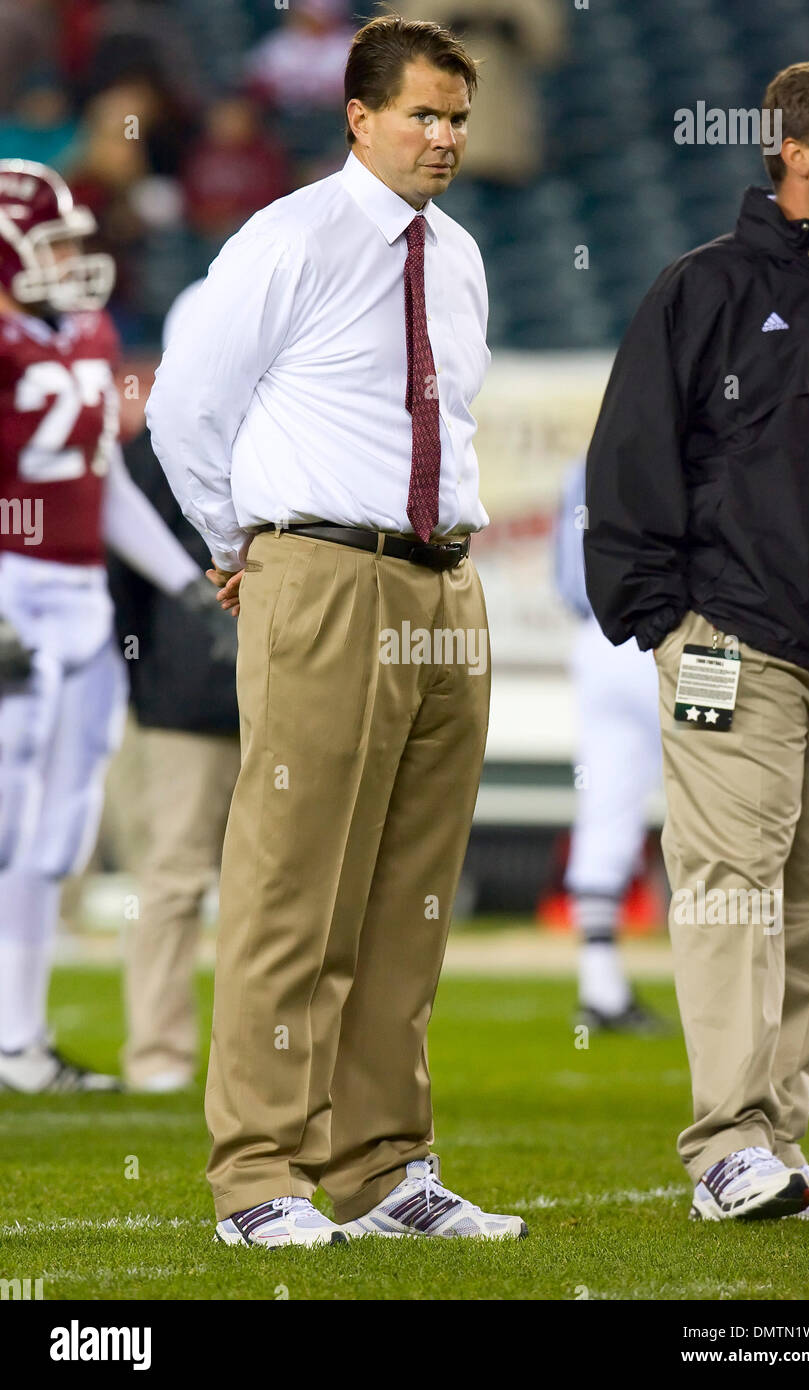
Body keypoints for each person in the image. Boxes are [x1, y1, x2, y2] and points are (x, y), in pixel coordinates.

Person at [147, 16, 526, 1246]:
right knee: (289, 884)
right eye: (422, 113)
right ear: (356, 116)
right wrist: (230, 545)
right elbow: (185, 403)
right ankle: (256, 1173)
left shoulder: (458, 254)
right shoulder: (289, 236)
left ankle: (381, 1168)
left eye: (458, 117)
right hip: (323, 569)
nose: (444, 137)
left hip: (440, 584)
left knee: (409, 895)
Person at [585, 60, 809, 1222]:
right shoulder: (700, 287)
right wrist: (662, 619)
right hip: (731, 643)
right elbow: (631, 460)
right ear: (792, 152)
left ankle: (774, 1142)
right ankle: (722, 1147)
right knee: (726, 890)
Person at [0, 158, 214, 1092]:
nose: (71, 260)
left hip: (79, 598)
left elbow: (104, 481)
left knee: (52, 838)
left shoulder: (86, 329)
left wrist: (184, 579)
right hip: (12, 589)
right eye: (49, 243)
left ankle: (20, 1041)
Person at [110, 281, 241, 1094]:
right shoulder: (147, 455)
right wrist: (141, 682)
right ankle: (157, 1053)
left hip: (205, 693)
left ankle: (226, 1060)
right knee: (174, 878)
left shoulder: (278, 441)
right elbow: (122, 586)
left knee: (200, 881)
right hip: (187, 699)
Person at [555, 458, 668, 1034]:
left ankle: (599, 986)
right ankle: (738, 991)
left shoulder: (581, 468)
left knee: (604, 811)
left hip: (594, 642)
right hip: (661, 639)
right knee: (724, 800)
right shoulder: (682, 446)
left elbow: (563, 577)